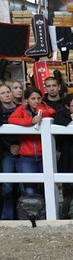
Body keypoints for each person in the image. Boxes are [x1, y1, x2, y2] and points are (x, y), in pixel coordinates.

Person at [6, 87, 55, 197]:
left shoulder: (45, 108)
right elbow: (11, 119)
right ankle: (32, 214)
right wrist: (30, 121)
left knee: (46, 189)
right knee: (29, 190)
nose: (36, 101)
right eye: (33, 98)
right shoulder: (22, 109)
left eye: (38, 98)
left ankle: (45, 214)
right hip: (27, 156)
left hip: (44, 155)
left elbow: (52, 113)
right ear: (27, 99)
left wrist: (40, 113)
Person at [1, 83, 20, 220]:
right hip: (6, 151)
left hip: (23, 149)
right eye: (2, 93)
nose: (7, 94)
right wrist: (9, 147)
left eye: (8, 91)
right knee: (7, 187)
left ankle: (24, 216)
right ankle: (8, 219)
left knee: (25, 186)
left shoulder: (22, 109)